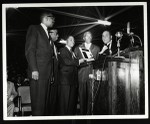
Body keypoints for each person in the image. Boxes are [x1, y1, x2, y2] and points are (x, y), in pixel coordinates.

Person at [25, 12, 55, 116]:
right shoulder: (34, 28)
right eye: (52, 19)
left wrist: (51, 74)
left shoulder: (47, 34)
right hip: (38, 72)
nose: (53, 21)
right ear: (46, 19)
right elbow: (30, 50)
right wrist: (34, 69)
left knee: (44, 105)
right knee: (38, 105)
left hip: (46, 74)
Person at [74, 31, 100, 115]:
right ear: (83, 38)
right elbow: (75, 62)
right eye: (87, 36)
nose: (89, 38)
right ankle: (82, 115)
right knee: (82, 97)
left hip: (92, 74)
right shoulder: (77, 48)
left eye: (90, 36)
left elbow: (98, 63)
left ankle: (89, 115)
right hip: (81, 75)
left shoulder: (96, 48)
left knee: (91, 96)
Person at [58, 36, 85, 115]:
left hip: (73, 81)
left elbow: (75, 64)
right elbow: (67, 62)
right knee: (64, 104)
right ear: (66, 42)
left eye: (74, 40)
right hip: (65, 81)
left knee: (71, 105)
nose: (73, 41)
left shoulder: (72, 52)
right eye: (71, 40)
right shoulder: (63, 50)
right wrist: (79, 61)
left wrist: (87, 61)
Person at [45, 29, 59, 115]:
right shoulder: (47, 45)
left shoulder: (54, 45)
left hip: (55, 77)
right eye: (56, 34)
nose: (57, 36)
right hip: (50, 76)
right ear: (50, 34)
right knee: (49, 100)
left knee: (53, 100)